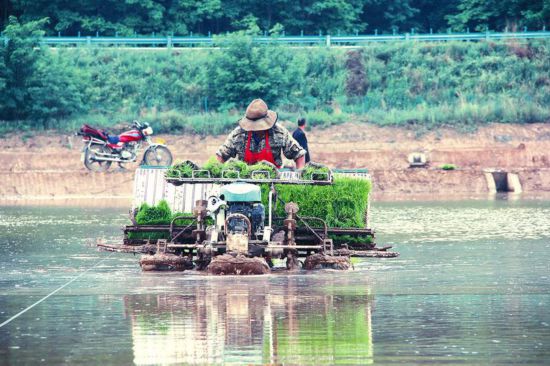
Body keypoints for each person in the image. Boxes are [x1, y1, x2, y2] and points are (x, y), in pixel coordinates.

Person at [216, 99, 306, 169]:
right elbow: (221, 155)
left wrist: (299, 174)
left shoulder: (278, 132)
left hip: (273, 182)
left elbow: (299, 154)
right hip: (245, 183)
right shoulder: (238, 134)